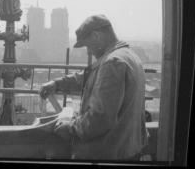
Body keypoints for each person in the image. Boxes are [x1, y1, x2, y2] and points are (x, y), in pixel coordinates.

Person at [39, 14, 148, 160]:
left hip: (109, 153)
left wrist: (71, 128)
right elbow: (91, 79)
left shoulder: (112, 63)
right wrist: (57, 84)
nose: (89, 51)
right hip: (128, 148)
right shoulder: (128, 56)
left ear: (96, 36)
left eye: (88, 45)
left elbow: (100, 118)